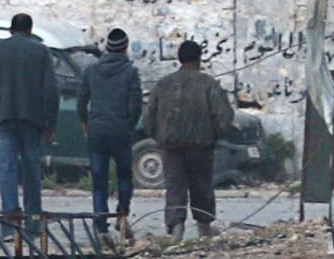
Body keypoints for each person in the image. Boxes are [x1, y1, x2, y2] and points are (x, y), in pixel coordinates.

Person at [0, 12, 54, 227]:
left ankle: (10, 223)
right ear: (30, 30)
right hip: (32, 119)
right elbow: (51, 91)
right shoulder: (41, 52)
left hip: (1, 119)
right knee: (32, 170)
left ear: (10, 30)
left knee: (6, 169)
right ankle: (34, 220)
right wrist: (50, 124)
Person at [147, 39, 231, 239]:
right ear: (199, 58)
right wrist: (215, 136)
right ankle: (204, 227)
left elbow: (149, 115)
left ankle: (176, 229)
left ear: (179, 59)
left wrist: (159, 137)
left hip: (170, 145)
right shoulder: (209, 84)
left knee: (175, 187)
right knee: (201, 185)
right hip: (201, 145)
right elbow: (224, 115)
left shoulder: (163, 84)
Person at [79, 28, 144, 234]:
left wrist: (86, 123)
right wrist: (130, 125)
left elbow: (82, 102)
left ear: (107, 47)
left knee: (99, 180)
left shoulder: (91, 71)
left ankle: (100, 223)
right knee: (124, 176)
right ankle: (122, 216)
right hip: (121, 131)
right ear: (125, 48)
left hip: (97, 130)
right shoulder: (130, 72)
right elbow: (136, 104)